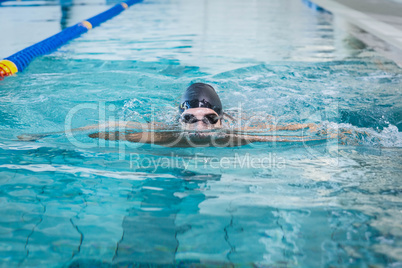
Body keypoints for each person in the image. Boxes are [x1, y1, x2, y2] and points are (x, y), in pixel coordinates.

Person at [18, 83, 325, 147]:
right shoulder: (160, 127)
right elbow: (105, 124)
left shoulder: (243, 127)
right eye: (190, 118)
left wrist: (336, 132)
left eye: (209, 119)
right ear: (179, 117)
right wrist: (48, 135)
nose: (200, 127)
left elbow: (298, 128)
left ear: (222, 118)